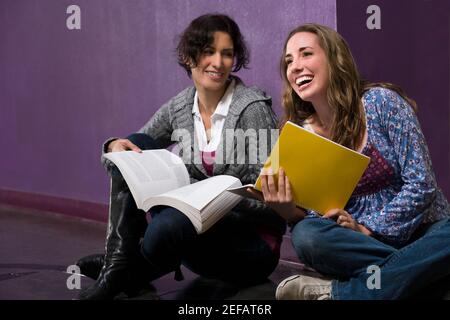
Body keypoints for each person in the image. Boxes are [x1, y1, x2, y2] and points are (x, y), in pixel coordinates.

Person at [76, 13, 286, 300]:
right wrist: (114, 145)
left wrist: (220, 199)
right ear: (189, 57)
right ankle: (119, 262)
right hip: (196, 234)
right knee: (136, 145)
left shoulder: (252, 108)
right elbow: (127, 156)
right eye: (208, 51)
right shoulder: (180, 105)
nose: (218, 62)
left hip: (249, 246)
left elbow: (273, 204)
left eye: (227, 54)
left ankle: (128, 272)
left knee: (166, 227)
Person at [254, 23, 450, 299]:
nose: (295, 66)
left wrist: (368, 227)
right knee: (307, 235)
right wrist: (289, 211)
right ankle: (422, 274)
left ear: (335, 60)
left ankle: (346, 293)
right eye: (289, 61)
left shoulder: (382, 103)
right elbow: (321, 212)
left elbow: (422, 185)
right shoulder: (298, 133)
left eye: (306, 54)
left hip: (426, 230)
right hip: (356, 243)